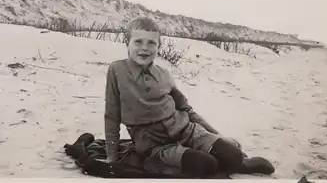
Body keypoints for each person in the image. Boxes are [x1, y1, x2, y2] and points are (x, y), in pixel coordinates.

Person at [103, 16, 274, 177]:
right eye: (138, 42)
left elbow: (185, 109)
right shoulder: (117, 70)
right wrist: (112, 158)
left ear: (158, 46)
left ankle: (240, 163)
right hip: (154, 145)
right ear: (127, 43)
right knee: (206, 165)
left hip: (186, 130)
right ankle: (218, 162)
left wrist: (218, 136)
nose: (145, 48)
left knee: (233, 154)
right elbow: (111, 116)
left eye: (151, 43)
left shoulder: (164, 74)